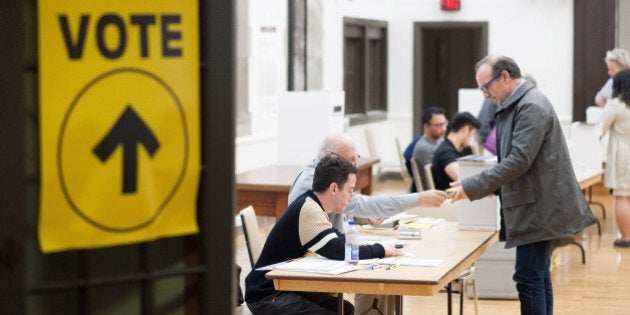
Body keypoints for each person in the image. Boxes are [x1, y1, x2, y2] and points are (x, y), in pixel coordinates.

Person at [449, 55, 598, 314]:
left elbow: (519, 160)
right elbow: (512, 160)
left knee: (529, 278)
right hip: (537, 204)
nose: (484, 95)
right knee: (537, 277)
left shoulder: (530, 106)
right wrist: (486, 185)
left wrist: (475, 186)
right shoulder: (518, 104)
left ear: (505, 76)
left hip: (539, 207)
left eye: (486, 87)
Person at [288, 132, 448, 314]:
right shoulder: (313, 186)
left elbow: (344, 210)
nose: (355, 166)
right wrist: (417, 199)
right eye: (350, 160)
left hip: (327, 256)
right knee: (376, 278)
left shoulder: (325, 178)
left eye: (356, 159)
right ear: (328, 158)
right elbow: (355, 209)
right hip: (307, 269)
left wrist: (365, 218)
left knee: (384, 277)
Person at [245, 157, 403, 314]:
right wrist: (379, 249)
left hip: (288, 288)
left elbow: (338, 240)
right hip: (267, 295)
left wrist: (368, 246)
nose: (351, 197)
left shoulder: (313, 204)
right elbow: (339, 250)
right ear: (334, 188)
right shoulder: (309, 209)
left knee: (345, 309)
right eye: (350, 190)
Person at [601, 70, 630, 247]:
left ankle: (625, 237)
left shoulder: (616, 105)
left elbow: (600, 128)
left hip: (623, 156)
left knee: (622, 196)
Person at [430, 112, 481, 190]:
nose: (470, 139)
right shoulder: (446, 152)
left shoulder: (451, 149)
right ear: (465, 130)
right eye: (472, 134)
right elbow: (462, 178)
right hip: (448, 199)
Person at [405, 107, 447, 192]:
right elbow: (438, 176)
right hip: (432, 192)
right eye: (439, 125)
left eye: (444, 124)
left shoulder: (440, 140)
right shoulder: (423, 148)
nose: (444, 129)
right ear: (426, 126)